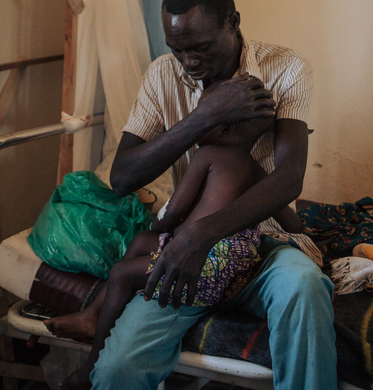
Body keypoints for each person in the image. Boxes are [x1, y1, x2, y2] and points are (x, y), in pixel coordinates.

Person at [90, 0, 338, 390]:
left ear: (233, 22)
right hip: (189, 258)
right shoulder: (162, 76)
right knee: (115, 373)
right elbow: (121, 177)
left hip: (261, 243)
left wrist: (201, 235)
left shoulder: (287, 69)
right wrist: (203, 117)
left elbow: (289, 177)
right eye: (177, 49)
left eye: (201, 47)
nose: (189, 62)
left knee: (305, 286)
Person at [49, 82, 281, 389]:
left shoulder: (207, 156)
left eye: (204, 117)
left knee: (121, 272)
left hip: (202, 271)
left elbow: (173, 212)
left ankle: (91, 362)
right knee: (143, 244)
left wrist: (157, 227)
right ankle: (93, 314)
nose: (196, 124)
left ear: (223, 129)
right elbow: (289, 219)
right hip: (236, 275)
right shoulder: (259, 172)